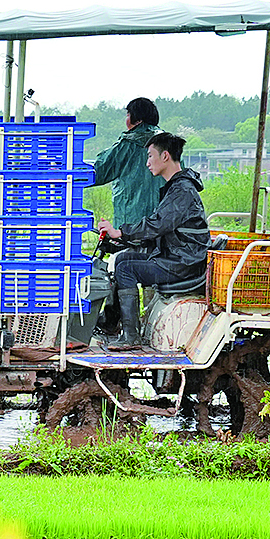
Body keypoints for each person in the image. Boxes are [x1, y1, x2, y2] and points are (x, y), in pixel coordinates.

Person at [94, 133, 208, 351]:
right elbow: (160, 229)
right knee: (123, 259)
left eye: (150, 156)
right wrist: (122, 241)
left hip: (183, 263)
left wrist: (121, 232)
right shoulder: (176, 187)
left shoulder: (182, 190)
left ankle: (130, 336)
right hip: (178, 257)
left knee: (126, 268)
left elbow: (157, 225)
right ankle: (111, 323)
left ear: (165, 156)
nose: (147, 162)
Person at [89, 97, 161, 232]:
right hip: (164, 225)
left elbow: (98, 171)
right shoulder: (169, 144)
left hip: (131, 225)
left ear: (138, 120)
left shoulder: (128, 144)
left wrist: (63, 174)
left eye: (128, 115)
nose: (126, 119)